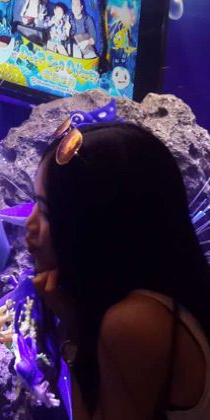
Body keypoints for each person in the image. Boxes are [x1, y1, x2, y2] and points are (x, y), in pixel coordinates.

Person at [25, 121, 210, 419]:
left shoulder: (133, 322)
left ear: (96, 224)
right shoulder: (158, 302)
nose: (29, 224)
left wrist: (75, 333)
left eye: (46, 211)